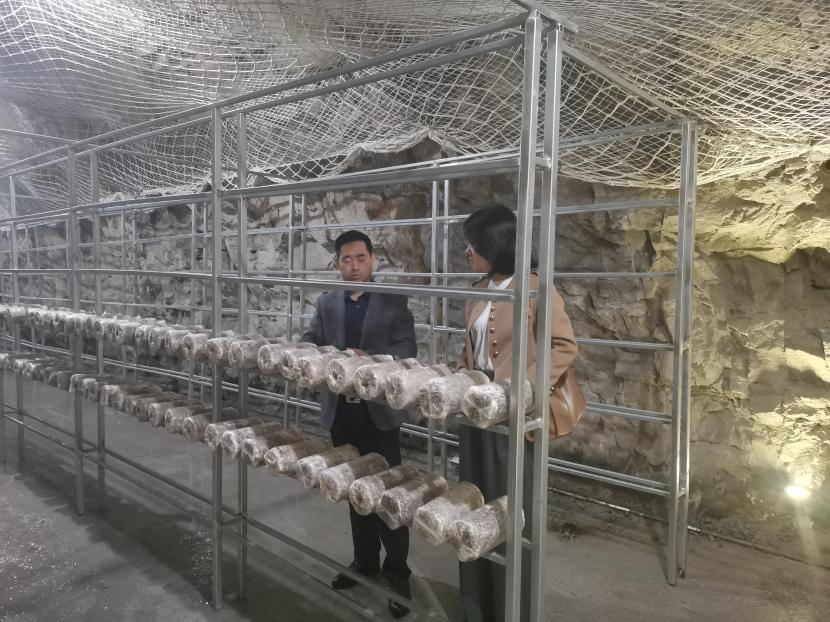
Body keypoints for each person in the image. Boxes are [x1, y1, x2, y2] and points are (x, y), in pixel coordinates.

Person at [457, 205, 578, 622]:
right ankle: (477, 609)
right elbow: (471, 351)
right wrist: (459, 384)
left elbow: (562, 346)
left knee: (510, 514)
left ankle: (514, 611)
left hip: (512, 419)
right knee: (474, 508)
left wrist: (519, 390)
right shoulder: (478, 288)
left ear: (498, 245)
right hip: (476, 416)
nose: (468, 252)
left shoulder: (536, 288)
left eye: (474, 244)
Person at [301, 229, 417, 619]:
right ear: (337, 263)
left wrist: (367, 357)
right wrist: (314, 352)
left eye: (361, 258)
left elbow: (407, 349)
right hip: (342, 412)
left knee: (388, 493)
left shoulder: (392, 301)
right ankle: (364, 562)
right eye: (346, 259)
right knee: (354, 490)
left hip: (378, 413)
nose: (354, 266)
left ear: (373, 260)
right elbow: (311, 339)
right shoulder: (327, 302)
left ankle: (397, 574)